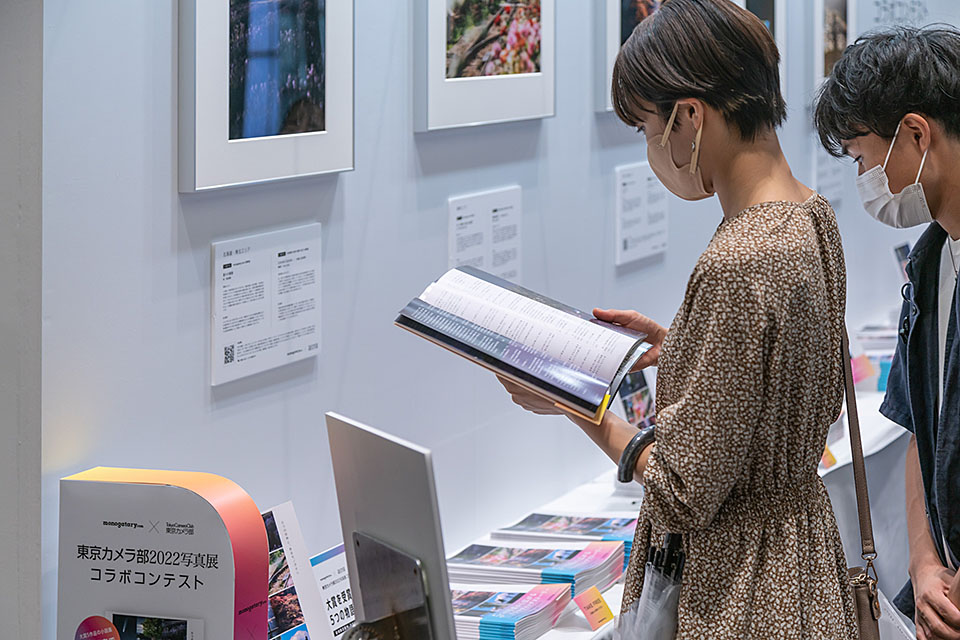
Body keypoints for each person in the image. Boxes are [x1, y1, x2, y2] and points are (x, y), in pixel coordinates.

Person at [498, 0, 858, 636]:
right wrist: (691, 346)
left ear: (689, 117)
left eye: (645, 128)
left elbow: (682, 490)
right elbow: (795, 379)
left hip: (742, 590)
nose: (648, 148)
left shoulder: (739, 260)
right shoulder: (811, 216)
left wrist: (579, 402)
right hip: (800, 559)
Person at [814, 26, 960, 640]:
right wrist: (925, 562)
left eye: (862, 158)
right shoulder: (930, 262)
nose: (866, 178)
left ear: (916, 134)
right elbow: (919, 431)